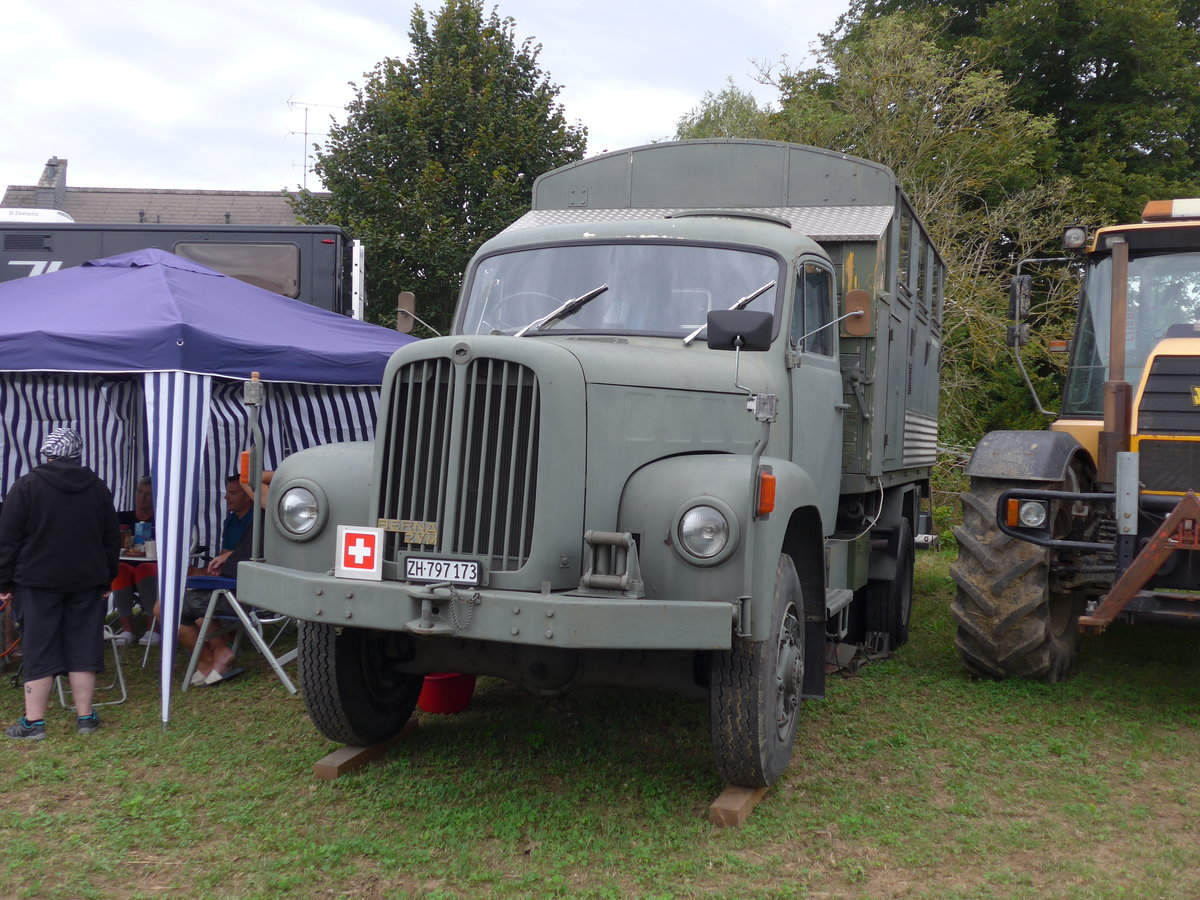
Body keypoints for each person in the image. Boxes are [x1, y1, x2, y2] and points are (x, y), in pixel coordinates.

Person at [0, 427, 120, 739]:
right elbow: (111, 538)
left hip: (37, 582)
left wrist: (3, 581)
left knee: (39, 647)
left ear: (48, 453)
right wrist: (108, 576)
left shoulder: (26, 486)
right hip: (87, 581)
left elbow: (8, 540)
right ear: (78, 454)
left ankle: (34, 722)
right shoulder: (98, 488)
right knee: (83, 645)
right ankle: (85, 718)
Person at [157, 475, 254, 686]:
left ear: (249, 496)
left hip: (241, 590)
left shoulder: (258, 521)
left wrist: (206, 571)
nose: (226, 497)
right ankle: (212, 657)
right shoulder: (233, 519)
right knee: (176, 603)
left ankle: (210, 658)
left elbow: (239, 560)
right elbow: (226, 559)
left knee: (165, 607)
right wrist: (202, 571)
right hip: (228, 584)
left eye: (233, 492)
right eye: (227, 492)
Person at [111, 475, 159, 646]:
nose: (142, 498)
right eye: (139, 492)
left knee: (144, 569)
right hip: (126, 562)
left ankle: (153, 629)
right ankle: (127, 630)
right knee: (120, 569)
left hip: (152, 566)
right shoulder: (121, 518)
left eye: (148, 494)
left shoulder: (161, 520)